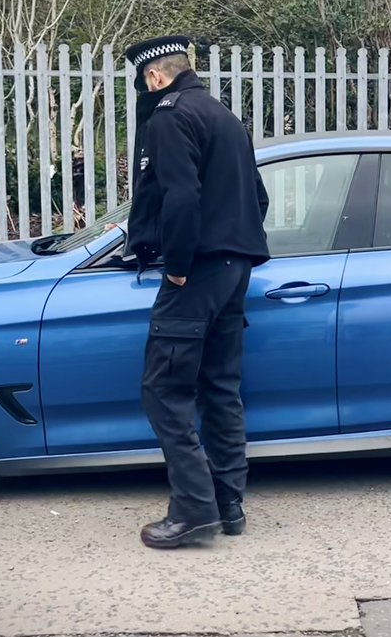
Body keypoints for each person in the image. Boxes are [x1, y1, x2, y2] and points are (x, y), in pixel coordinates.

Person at [123, 35, 270, 549]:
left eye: (145, 82)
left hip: (197, 273)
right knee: (220, 390)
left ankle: (193, 510)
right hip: (236, 269)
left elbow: (179, 196)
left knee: (163, 390)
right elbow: (258, 196)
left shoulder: (167, 115)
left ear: (155, 77)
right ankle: (229, 505)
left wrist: (179, 267)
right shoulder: (225, 117)